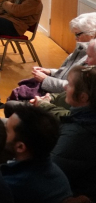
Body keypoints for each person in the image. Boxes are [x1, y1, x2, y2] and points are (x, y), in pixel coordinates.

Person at [9, 14, 96, 103]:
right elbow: (66, 71)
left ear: (93, 34)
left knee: (14, 102)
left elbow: (74, 87)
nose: (75, 38)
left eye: (78, 34)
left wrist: (45, 79)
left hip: (62, 98)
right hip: (54, 92)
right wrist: (50, 72)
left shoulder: (92, 57)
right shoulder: (81, 48)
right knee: (17, 96)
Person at [1, 105, 71, 203]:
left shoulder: (13, 185)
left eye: (6, 130)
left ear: (20, 147)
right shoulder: (56, 173)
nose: (0, 131)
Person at [51, 65, 96, 200]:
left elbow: (49, 173)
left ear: (83, 97)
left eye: (69, 85)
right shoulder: (84, 119)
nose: (65, 87)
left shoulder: (78, 134)